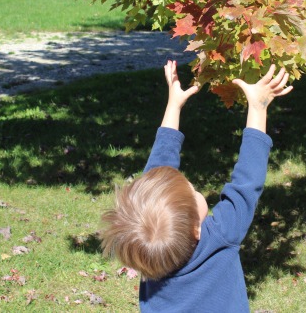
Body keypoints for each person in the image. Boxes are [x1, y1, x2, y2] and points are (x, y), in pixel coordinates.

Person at [100, 59, 293, 312]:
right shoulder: (221, 236)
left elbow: (157, 177)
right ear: (196, 230)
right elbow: (247, 182)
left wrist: (174, 105)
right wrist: (258, 107)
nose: (193, 187)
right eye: (193, 191)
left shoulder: (150, 258)